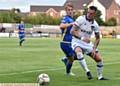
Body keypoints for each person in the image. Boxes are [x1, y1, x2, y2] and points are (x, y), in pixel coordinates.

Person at [70, 6, 108, 80]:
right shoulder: (80, 19)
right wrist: (82, 38)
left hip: (87, 44)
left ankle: (100, 77)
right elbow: (72, 31)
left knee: (99, 60)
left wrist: (94, 48)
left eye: (91, 13)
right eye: (88, 12)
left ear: (94, 14)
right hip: (77, 41)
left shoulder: (95, 25)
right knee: (79, 53)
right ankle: (87, 71)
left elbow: (97, 38)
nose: (89, 14)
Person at [60, 2, 76, 76]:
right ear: (66, 11)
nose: (70, 11)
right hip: (65, 42)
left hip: (71, 42)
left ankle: (66, 59)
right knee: (72, 58)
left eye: (71, 10)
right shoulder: (66, 18)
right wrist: (70, 24)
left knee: (78, 55)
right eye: (68, 10)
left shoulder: (72, 19)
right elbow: (61, 26)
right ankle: (68, 72)